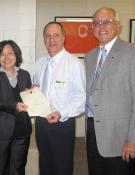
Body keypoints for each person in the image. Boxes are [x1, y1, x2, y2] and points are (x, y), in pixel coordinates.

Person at [85, 7, 135, 175]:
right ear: (92, 27)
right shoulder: (90, 56)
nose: (101, 27)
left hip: (122, 136)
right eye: (97, 23)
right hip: (93, 130)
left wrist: (134, 139)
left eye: (107, 22)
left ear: (118, 25)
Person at [33, 22, 86, 175]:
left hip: (62, 124)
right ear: (44, 39)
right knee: (44, 164)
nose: (52, 39)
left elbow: (81, 98)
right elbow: (36, 89)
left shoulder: (75, 64)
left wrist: (61, 113)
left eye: (56, 35)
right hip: (41, 123)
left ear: (64, 38)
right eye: (48, 36)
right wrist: (32, 90)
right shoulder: (39, 63)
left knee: (62, 166)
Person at [0, 40, 32, 175]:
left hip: (22, 129)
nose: (7, 57)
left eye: (10, 53)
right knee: (0, 169)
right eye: (2, 54)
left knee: (18, 168)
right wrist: (14, 105)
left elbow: (27, 97)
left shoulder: (25, 74)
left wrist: (33, 92)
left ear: (16, 55)